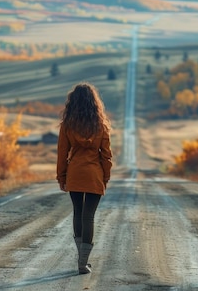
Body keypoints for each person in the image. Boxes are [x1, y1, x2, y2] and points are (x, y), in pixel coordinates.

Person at [56, 82, 112, 274]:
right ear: (93, 103)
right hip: (94, 174)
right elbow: (106, 156)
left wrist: (61, 177)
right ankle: (83, 262)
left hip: (75, 173)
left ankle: (80, 260)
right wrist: (105, 177)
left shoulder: (67, 125)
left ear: (73, 102)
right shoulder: (101, 126)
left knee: (78, 213)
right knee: (89, 216)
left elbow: (62, 153)